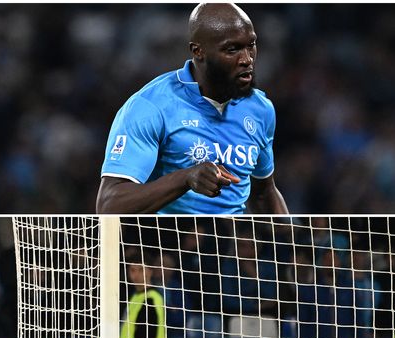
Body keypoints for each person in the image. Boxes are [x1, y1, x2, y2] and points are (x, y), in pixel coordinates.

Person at [97, 3, 288, 214]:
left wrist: (292, 241)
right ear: (198, 52)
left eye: (251, 45)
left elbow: (263, 193)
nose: (247, 59)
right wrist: (185, 178)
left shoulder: (260, 109)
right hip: (170, 244)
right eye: (231, 49)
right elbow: (109, 205)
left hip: (230, 244)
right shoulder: (150, 106)